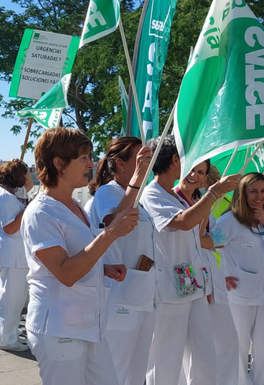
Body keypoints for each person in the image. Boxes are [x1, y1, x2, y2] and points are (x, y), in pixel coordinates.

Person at [21, 127, 138, 384]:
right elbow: (65, 272)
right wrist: (110, 234)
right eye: (83, 158)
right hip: (59, 329)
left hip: (89, 327)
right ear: (59, 163)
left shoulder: (74, 206)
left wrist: (102, 268)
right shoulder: (40, 212)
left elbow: (78, 256)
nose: (91, 164)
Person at [140, 135, 239, 385]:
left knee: (205, 356)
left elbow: (201, 233)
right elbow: (184, 223)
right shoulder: (152, 194)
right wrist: (214, 193)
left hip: (193, 287)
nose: (196, 173)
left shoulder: (176, 197)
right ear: (176, 160)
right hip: (169, 292)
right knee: (166, 361)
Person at [87, 136, 156, 385]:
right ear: (120, 163)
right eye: (140, 159)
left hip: (143, 293)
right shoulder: (108, 192)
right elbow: (114, 223)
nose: (146, 164)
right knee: (116, 370)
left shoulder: (141, 198)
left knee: (138, 373)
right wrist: (137, 178)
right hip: (120, 296)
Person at [215, 173, 264, 385]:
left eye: (263, 191)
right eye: (253, 191)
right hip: (240, 296)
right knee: (237, 349)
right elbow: (205, 247)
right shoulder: (229, 221)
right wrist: (218, 277)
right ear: (242, 194)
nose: (259, 197)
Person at [174, 161, 239, 385]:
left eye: (202, 174)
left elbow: (215, 242)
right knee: (194, 348)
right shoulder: (181, 202)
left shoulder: (203, 204)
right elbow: (195, 239)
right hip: (193, 280)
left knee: (224, 341)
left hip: (212, 277)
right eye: (195, 172)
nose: (197, 178)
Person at [0, 159, 34, 351]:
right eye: (24, 175)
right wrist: (28, 210)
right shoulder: (6, 197)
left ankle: (10, 334)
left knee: (11, 298)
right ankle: (6, 339)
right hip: (13, 255)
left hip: (11, 254)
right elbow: (10, 227)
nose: (26, 180)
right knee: (11, 300)